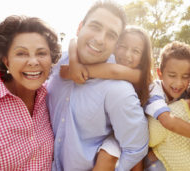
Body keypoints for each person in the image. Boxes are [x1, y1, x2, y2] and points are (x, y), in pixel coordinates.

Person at [46, 1, 149, 170]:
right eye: (95, 26)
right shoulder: (55, 64)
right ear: (80, 27)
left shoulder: (119, 90)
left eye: (111, 35)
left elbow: (135, 148)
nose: (100, 39)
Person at [0, 15, 61, 170]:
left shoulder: (51, 94)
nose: (34, 61)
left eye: (41, 53)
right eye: (21, 53)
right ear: (6, 60)